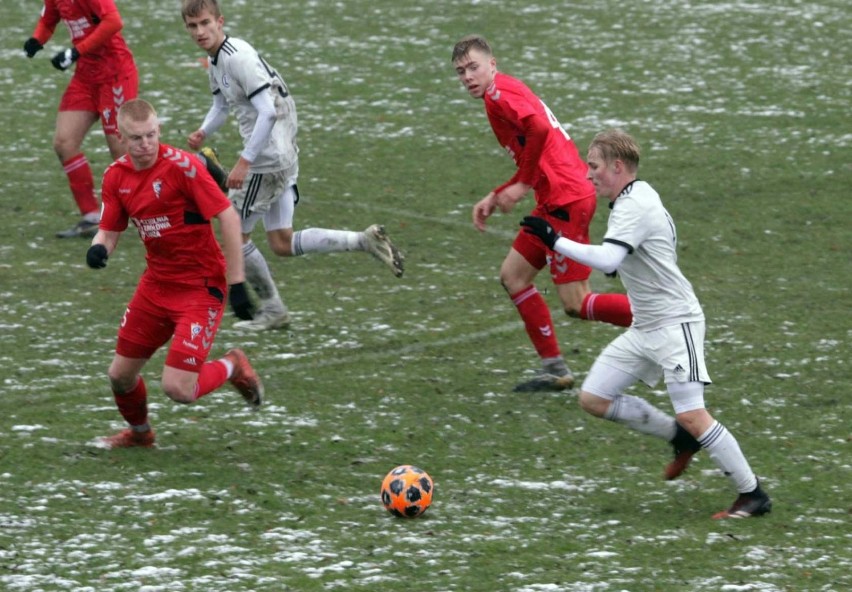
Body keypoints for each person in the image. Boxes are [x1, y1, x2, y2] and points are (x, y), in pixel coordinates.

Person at [520, 129, 772, 518]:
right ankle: (679, 437)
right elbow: (624, 257)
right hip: (645, 327)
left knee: (693, 412)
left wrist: (555, 241)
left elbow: (606, 261)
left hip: (676, 325)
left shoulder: (634, 205)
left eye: (595, 166)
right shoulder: (634, 197)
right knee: (594, 398)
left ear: (618, 167)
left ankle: (753, 494)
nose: (588, 175)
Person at [181, 0, 404, 332]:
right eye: (192, 26)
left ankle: (272, 309)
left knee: (234, 233)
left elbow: (268, 111)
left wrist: (245, 162)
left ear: (219, 21)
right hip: (281, 152)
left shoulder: (237, 57)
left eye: (204, 23)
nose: (199, 31)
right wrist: (204, 130)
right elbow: (220, 105)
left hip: (267, 159)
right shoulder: (218, 60)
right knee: (281, 242)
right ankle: (363, 241)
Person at [452, 35, 632, 393]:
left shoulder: (500, 94)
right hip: (554, 198)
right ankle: (555, 368)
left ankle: (663, 317)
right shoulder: (499, 94)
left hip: (566, 199)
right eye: (460, 72)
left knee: (576, 303)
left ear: (492, 63)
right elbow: (532, 146)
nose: (468, 76)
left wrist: (521, 185)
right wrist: (502, 190)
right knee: (513, 277)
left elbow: (538, 128)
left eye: (473, 67)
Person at [86, 98, 263, 449]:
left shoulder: (183, 168)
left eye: (151, 135)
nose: (146, 144)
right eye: (136, 138)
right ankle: (140, 435)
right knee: (119, 376)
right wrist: (98, 249)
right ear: (121, 138)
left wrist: (237, 282)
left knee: (178, 389)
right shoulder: (116, 177)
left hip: (200, 288)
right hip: (156, 286)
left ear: (159, 130)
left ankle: (233, 365)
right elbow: (108, 230)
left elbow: (227, 215)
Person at [23, 0, 139, 238]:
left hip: (115, 75)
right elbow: (48, 19)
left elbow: (114, 21)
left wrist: (75, 51)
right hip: (86, 76)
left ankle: (161, 201)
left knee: (121, 150)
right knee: (64, 143)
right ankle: (91, 216)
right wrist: (37, 39)